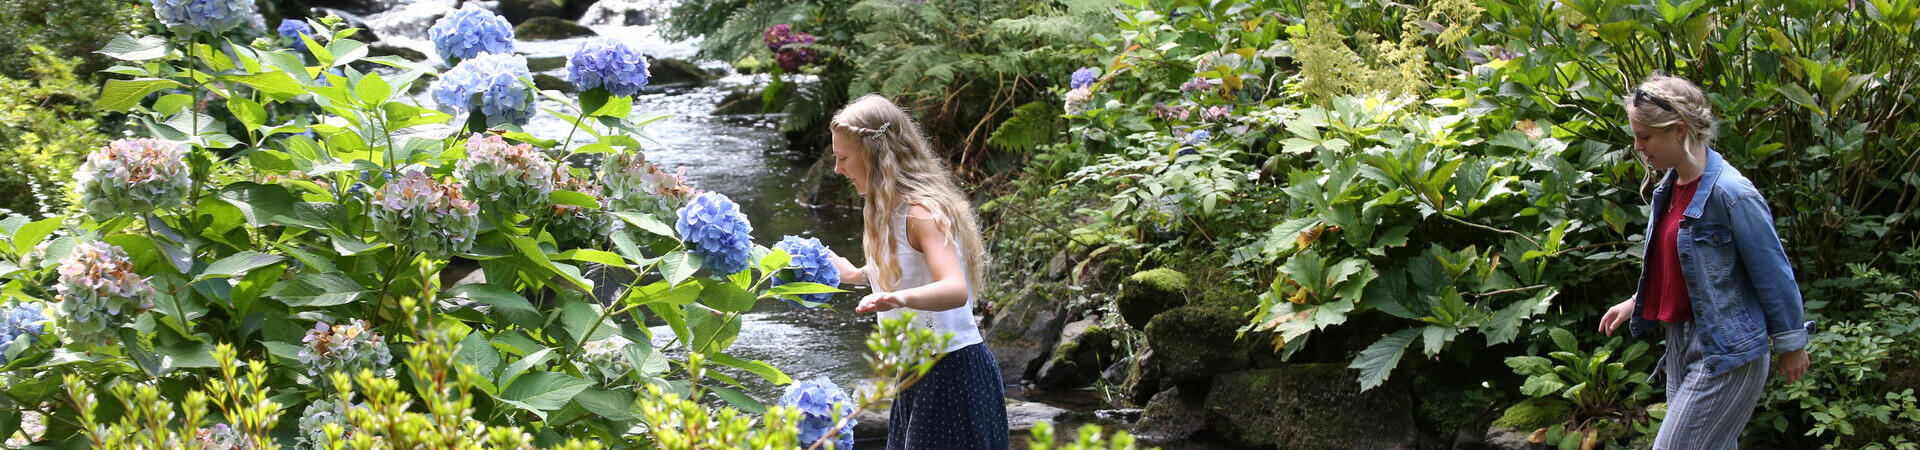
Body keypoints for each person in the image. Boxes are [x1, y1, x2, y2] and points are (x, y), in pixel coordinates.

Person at [1597, 75, 1812, 449]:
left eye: (1645, 137)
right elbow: (1682, 268)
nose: (1637, 147)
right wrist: (1636, 303)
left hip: (1727, 352)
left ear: (1679, 130)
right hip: (1680, 343)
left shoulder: (1732, 195)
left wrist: (1792, 343)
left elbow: (1774, 274)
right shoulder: (1668, 190)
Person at [826, 94, 1009, 449]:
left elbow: (954, 288)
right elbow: (911, 267)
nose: (837, 169)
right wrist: (858, 275)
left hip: (953, 373)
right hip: (916, 370)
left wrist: (898, 298)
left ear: (874, 154)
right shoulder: (886, 207)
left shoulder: (921, 211)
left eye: (843, 157)